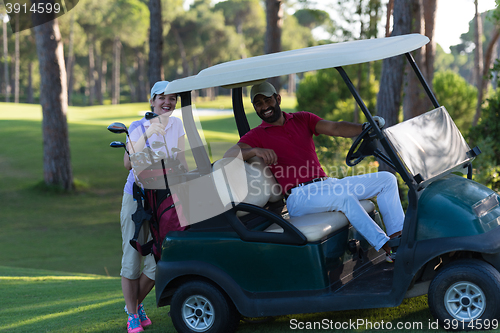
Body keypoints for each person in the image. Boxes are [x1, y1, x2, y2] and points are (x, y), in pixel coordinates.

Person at [224, 81, 404, 262]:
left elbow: (335, 127)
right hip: (299, 197)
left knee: (386, 180)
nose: (264, 107)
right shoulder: (256, 135)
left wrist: (364, 128)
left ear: (277, 99)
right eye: (259, 104)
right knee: (343, 197)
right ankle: (387, 248)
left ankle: (399, 239)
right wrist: (254, 151)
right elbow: (229, 155)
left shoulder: (302, 119)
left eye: (267, 100)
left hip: (326, 185)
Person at [120, 81, 187, 333]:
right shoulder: (138, 127)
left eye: (172, 99)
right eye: (162, 98)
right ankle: (132, 315)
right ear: (152, 101)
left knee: (158, 257)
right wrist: (150, 133)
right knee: (132, 256)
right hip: (137, 198)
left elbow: (179, 160)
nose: (167, 102)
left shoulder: (178, 125)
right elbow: (128, 163)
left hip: (165, 198)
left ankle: (134, 307)